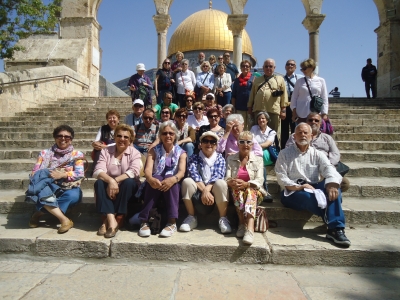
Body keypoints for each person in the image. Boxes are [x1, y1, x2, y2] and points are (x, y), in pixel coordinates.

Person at [275, 123, 351, 247]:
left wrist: (332, 184)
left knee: (335, 190)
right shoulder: (284, 154)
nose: (303, 135)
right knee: (306, 197)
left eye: (306, 133)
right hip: (293, 191)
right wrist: (300, 187)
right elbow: (281, 177)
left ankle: (335, 229)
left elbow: (329, 169)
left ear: (311, 136)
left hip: (314, 187)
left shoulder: (318, 154)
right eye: (299, 132)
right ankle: (334, 222)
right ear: (294, 136)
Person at [28, 125, 85, 234]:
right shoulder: (45, 153)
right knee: (40, 188)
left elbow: (79, 173)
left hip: (68, 186)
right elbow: (35, 171)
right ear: (55, 137)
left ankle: (39, 213)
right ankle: (64, 220)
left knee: (73, 196)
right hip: (47, 185)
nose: (63, 139)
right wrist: (47, 175)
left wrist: (62, 175)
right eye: (60, 136)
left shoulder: (77, 154)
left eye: (67, 137)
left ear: (71, 139)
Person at [138, 121, 187, 238]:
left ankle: (172, 222)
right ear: (160, 135)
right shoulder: (153, 150)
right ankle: (144, 221)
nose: (168, 136)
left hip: (173, 186)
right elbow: (148, 169)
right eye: (165, 133)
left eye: (171, 133)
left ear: (175, 135)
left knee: (170, 179)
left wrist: (173, 179)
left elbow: (181, 172)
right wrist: (150, 178)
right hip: (155, 183)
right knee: (156, 177)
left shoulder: (181, 152)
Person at [93, 124, 141, 238]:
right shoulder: (106, 151)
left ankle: (107, 222)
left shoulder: (135, 152)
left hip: (127, 189)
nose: (122, 139)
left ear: (130, 140)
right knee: (99, 182)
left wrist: (115, 181)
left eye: (126, 137)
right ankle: (112, 220)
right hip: (109, 188)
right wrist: (110, 181)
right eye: (119, 136)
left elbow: (134, 172)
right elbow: (97, 171)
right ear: (114, 137)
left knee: (129, 182)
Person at [285, 112, 350, 192]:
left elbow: (335, 154)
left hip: (323, 169)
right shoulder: (295, 136)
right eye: (311, 120)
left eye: (316, 120)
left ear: (320, 123)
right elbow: (288, 151)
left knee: (344, 183)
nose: (313, 122)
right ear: (306, 122)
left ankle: (327, 194)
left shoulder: (327, 138)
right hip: (301, 168)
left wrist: (327, 166)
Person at [180, 131, 230, 233]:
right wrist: (205, 191)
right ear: (200, 144)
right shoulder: (194, 157)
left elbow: (218, 175)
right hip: (199, 189)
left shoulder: (220, 158)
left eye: (212, 142)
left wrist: (207, 190)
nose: (209, 144)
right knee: (187, 181)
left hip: (214, 189)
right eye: (205, 141)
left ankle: (223, 218)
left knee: (221, 183)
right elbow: (195, 175)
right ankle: (191, 217)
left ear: (216, 145)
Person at [226, 131, 265, 245]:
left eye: (248, 142)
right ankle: (241, 224)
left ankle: (250, 229)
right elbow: (227, 177)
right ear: (237, 144)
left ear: (252, 144)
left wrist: (247, 184)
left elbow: (259, 180)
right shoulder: (231, 158)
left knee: (249, 190)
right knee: (237, 189)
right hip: (236, 191)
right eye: (242, 142)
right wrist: (232, 182)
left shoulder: (258, 159)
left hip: (255, 192)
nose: (245, 144)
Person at [248, 58, 288, 133]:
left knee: (274, 132)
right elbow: (252, 95)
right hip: (258, 110)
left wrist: (283, 110)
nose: (268, 68)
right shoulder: (257, 80)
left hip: (273, 111)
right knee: (258, 132)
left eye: (270, 66)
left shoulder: (280, 79)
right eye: (266, 66)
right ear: (263, 68)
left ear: (274, 68)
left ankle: (274, 145)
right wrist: (250, 108)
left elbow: (284, 96)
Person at [291, 58, 328, 123]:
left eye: (304, 68)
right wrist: (294, 113)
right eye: (301, 69)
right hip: (301, 113)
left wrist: (324, 113)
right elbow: (294, 98)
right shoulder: (299, 81)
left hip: (315, 113)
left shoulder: (321, 80)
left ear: (312, 68)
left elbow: (324, 97)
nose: (303, 71)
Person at [250, 111, 276, 202]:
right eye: (259, 118)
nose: (261, 120)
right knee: (261, 167)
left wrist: (257, 146)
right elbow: (250, 140)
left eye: (263, 118)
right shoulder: (254, 128)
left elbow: (268, 143)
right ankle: (264, 190)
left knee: (260, 164)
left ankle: (264, 189)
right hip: (255, 153)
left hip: (266, 155)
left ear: (267, 120)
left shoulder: (272, 132)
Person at [281, 59, 303, 149]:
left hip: (296, 106)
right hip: (285, 105)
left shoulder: (300, 78)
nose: (290, 66)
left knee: (295, 128)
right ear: (285, 66)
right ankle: (284, 149)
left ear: (295, 67)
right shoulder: (281, 79)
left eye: (292, 65)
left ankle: (296, 148)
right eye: (288, 64)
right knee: (284, 129)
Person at [231, 60, 254, 130]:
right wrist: (234, 108)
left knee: (251, 128)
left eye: (247, 66)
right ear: (240, 68)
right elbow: (234, 95)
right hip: (240, 108)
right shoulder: (237, 81)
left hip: (251, 108)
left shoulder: (254, 78)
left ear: (250, 68)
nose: (245, 67)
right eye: (243, 66)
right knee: (241, 128)